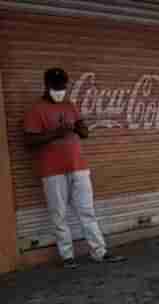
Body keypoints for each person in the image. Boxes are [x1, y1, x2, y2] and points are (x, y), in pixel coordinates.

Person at [24, 68, 125, 269]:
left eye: (62, 87)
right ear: (47, 86)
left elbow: (84, 130)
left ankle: (99, 252)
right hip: (52, 171)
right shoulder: (36, 109)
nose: (60, 91)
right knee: (58, 214)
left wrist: (80, 128)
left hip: (78, 167)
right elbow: (29, 141)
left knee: (87, 211)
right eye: (56, 87)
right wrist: (56, 133)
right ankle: (67, 257)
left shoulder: (70, 105)